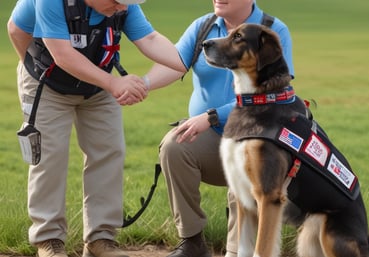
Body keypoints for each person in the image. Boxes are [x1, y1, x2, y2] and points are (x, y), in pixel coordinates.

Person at [7, 1, 186, 257]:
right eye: (115, 1)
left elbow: (151, 38)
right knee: (49, 157)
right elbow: (48, 47)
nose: (120, 7)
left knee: (109, 151)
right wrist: (113, 83)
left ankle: (101, 240)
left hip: (99, 85)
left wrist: (184, 58)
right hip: (47, 83)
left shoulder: (123, 6)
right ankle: (49, 241)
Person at [119, 0, 295, 256]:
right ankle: (191, 242)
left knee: (247, 158)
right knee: (174, 146)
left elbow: (279, 91)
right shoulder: (203, 26)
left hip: (255, 137)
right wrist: (143, 84)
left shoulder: (272, 31)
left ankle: (237, 250)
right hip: (211, 140)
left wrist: (213, 116)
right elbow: (175, 62)